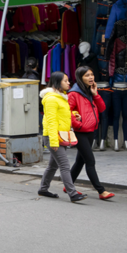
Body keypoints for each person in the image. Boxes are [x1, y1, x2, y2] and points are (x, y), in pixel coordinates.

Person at [38, 72, 88, 203]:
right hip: (53, 137)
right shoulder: (51, 99)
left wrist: (74, 114)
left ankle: (43, 189)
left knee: (52, 166)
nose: (69, 83)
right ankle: (73, 194)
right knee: (65, 166)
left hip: (59, 136)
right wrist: (54, 142)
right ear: (57, 82)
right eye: (66, 81)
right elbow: (51, 121)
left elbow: (63, 114)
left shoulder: (61, 97)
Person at [68, 66, 115, 200]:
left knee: (80, 161)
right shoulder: (74, 94)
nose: (91, 77)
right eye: (87, 75)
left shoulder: (90, 92)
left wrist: (96, 94)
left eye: (92, 75)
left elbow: (102, 108)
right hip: (81, 132)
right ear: (80, 78)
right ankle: (101, 191)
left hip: (90, 131)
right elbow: (68, 112)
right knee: (90, 161)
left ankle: (68, 184)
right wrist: (78, 124)